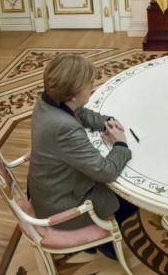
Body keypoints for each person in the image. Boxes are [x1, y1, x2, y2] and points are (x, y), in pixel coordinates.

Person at [28, 54, 137, 259]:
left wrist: (106, 121)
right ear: (73, 94)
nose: (92, 87)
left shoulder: (49, 100)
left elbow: (80, 113)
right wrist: (121, 143)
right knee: (130, 199)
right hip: (62, 205)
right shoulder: (64, 128)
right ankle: (104, 240)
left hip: (47, 187)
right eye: (89, 84)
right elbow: (106, 172)